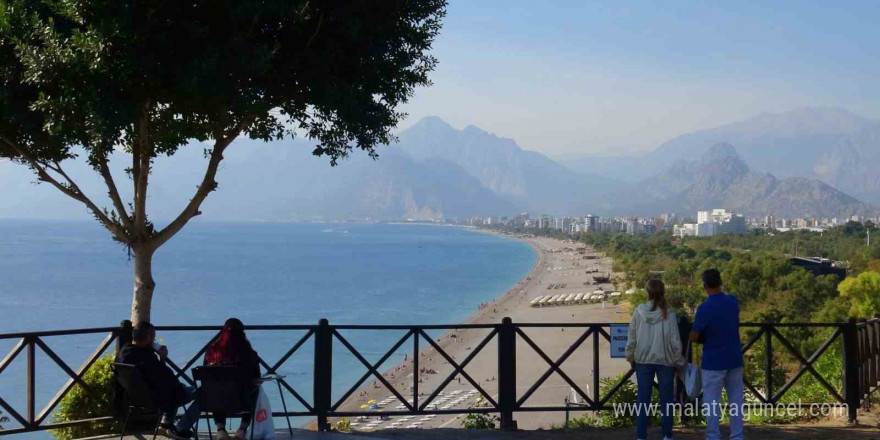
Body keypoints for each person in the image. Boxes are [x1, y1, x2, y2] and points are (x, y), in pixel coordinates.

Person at [625, 279, 686, 440]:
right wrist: (679, 362)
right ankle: (666, 435)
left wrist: (630, 357)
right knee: (667, 399)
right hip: (665, 361)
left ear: (648, 292)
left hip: (643, 360)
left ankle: (641, 436)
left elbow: (631, 338)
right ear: (663, 293)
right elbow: (675, 342)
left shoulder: (639, 312)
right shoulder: (669, 314)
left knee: (643, 399)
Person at [116, 322, 197, 440]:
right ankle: (180, 428)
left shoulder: (123, 352)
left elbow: (159, 378)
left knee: (176, 389)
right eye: (153, 338)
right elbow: (165, 378)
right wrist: (162, 357)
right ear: (148, 338)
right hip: (155, 399)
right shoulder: (146, 357)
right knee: (202, 393)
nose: (154, 341)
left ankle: (166, 422)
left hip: (134, 399)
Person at [690, 269, 744, 440]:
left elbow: (694, 336)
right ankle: (737, 435)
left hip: (713, 361)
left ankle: (713, 435)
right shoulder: (732, 301)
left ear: (704, 286)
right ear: (720, 283)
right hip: (734, 357)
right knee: (735, 400)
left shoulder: (704, 308)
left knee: (712, 401)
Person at [203, 318, 261, 440]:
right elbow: (256, 378)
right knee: (257, 389)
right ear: (242, 333)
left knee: (215, 388)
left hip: (216, 402)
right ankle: (242, 429)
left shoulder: (211, 352)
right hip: (242, 401)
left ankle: (220, 430)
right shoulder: (249, 353)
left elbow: (205, 377)